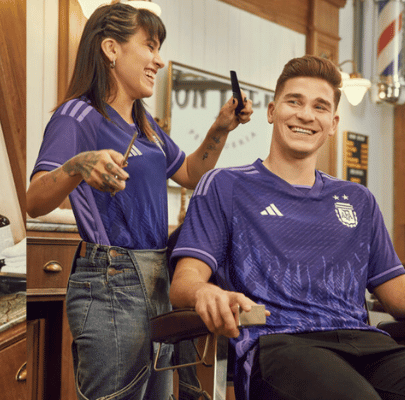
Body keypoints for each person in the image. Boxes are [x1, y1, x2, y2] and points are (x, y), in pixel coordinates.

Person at [27, 2, 252, 399]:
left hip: (158, 279)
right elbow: (34, 199)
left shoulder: (147, 128)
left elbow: (192, 174)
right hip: (111, 281)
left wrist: (220, 128)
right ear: (111, 49)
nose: (159, 60)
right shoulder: (77, 116)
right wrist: (79, 164)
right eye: (150, 46)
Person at [169, 54, 405, 400]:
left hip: (366, 342)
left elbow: (396, 294)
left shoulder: (358, 200)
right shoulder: (225, 185)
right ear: (271, 111)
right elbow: (184, 284)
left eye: (320, 107)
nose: (306, 115)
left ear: (334, 122)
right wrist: (207, 293)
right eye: (294, 101)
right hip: (280, 343)